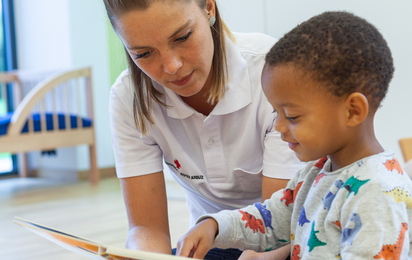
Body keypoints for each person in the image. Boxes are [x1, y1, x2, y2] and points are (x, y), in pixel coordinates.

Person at [175, 11, 412, 259]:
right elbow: (268, 220)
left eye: (292, 116)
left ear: (352, 111)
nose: (278, 127)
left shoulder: (377, 193)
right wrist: (214, 226)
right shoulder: (315, 173)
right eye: (276, 113)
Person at [105, 0, 303, 259]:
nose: (172, 65)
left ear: (209, 7)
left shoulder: (273, 72)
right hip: (212, 242)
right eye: (143, 54)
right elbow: (146, 229)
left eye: (182, 37)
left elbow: (275, 225)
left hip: (283, 240)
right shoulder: (129, 98)